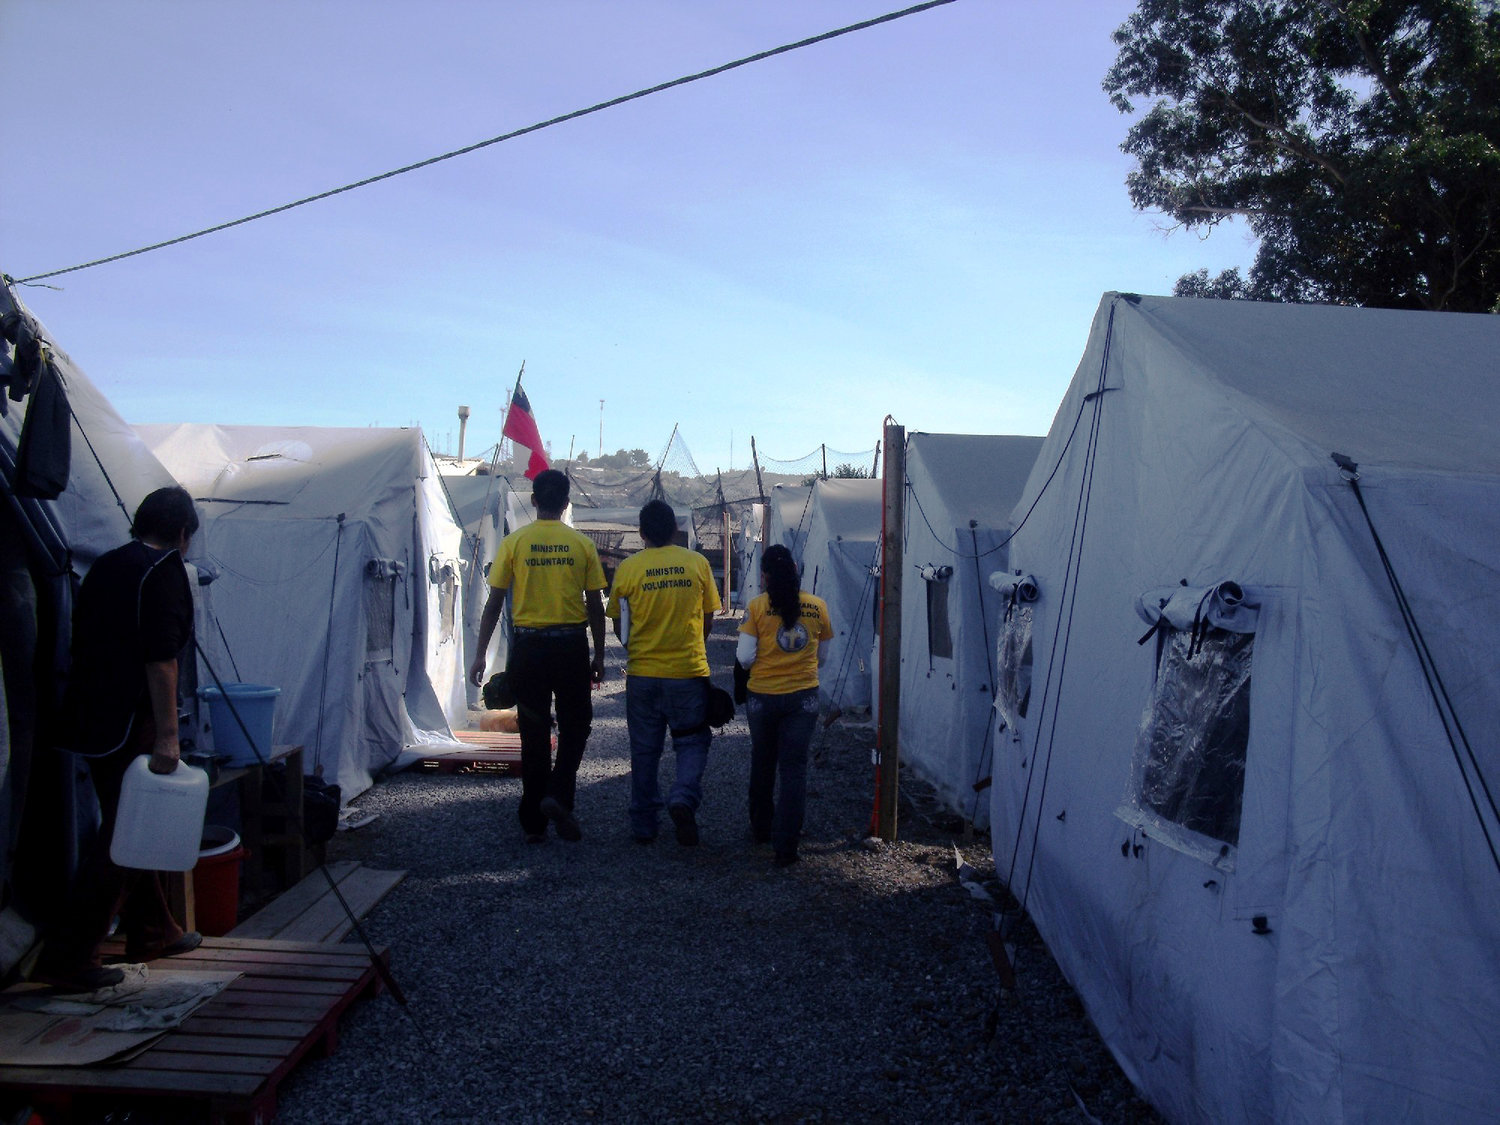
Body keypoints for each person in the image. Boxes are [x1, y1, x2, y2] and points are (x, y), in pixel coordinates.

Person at [34, 486, 204, 992]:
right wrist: (168, 737)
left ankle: (154, 929)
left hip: (88, 716)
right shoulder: (165, 571)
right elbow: (161, 658)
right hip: (131, 721)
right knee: (125, 836)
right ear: (181, 535)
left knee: (130, 822)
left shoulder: (107, 565)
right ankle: (69, 954)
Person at [469, 469, 606, 843]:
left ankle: (533, 823)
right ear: (566, 503)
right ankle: (559, 794)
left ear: (533, 500)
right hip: (569, 646)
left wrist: (480, 654)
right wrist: (598, 654)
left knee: (533, 732)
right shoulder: (581, 545)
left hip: (528, 649)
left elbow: (494, 602)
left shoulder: (516, 543)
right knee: (576, 725)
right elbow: (594, 603)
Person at [605, 500, 721, 845]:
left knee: (644, 750)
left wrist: (636, 649)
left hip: (642, 673)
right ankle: (683, 796)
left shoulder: (629, 568)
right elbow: (710, 618)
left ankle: (644, 824)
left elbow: (617, 620)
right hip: (687, 671)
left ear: (641, 533)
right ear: (674, 530)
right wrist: (692, 646)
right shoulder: (697, 563)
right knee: (692, 742)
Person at [737, 544, 833, 867]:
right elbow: (823, 657)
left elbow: (744, 658)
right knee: (794, 770)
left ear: (764, 575)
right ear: (795, 571)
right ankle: (787, 844)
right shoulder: (818, 606)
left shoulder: (757, 607)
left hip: (762, 699)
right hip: (802, 699)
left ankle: (761, 829)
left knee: (763, 762)